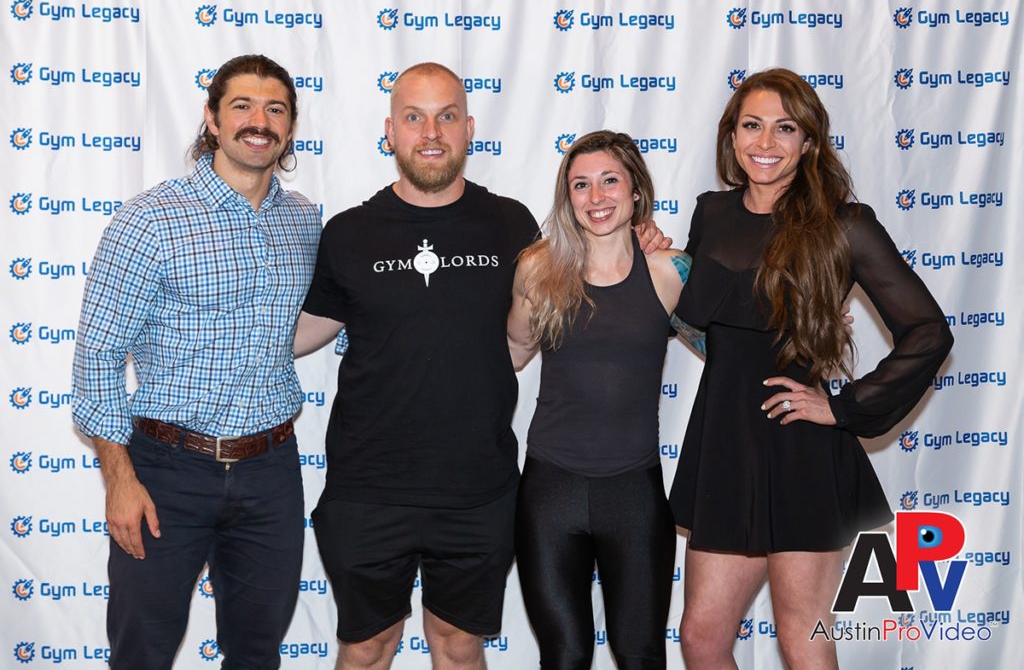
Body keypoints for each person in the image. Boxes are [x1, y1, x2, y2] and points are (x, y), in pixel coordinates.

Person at [293, 65, 668, 670]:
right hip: (368, 488)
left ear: (468, 128)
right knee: (365, 648)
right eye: (414, 117)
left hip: (479, 487)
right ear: (390, 131)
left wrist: (640, 235)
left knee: (459, 646)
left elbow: (584, 273)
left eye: (446, 116)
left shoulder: (512, 226)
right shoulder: (348, 233)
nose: (431, 132)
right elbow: (303, 330)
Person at [669, 68, 954, 669]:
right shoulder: (710, 213)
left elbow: (928, 331)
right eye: (752, 125)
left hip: (799, 447)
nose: (765, 142)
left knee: (802, 638)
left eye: (784, 128)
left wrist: (844, 406)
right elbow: (702, 321)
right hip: (724, 441)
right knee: (701, 638)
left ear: (808, 141)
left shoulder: (843, 225)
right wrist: (657, 259)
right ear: (731, 135)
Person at [71, 54, 320, 669]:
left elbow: (304, 325)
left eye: (275, 109)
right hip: (165, 472)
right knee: (143, 653)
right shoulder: (150, 219)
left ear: (290, 127)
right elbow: (98, 354)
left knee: (257, 654)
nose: (259, 121)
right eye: (242, 106)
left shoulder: (303, 221)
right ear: (211, 119)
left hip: (270, 472)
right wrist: (119, 480)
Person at [506, 130, 705, 669]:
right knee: (565, 657)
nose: (596, 197)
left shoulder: (671, 271)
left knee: (640, 655)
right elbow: (513, 351)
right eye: (581, 185)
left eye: (609, 181)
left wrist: (809, 336)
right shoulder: (538, 268)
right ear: (567, 197)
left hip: (634, 495)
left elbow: (730, 347)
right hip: (550, 493)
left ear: (635, 190)